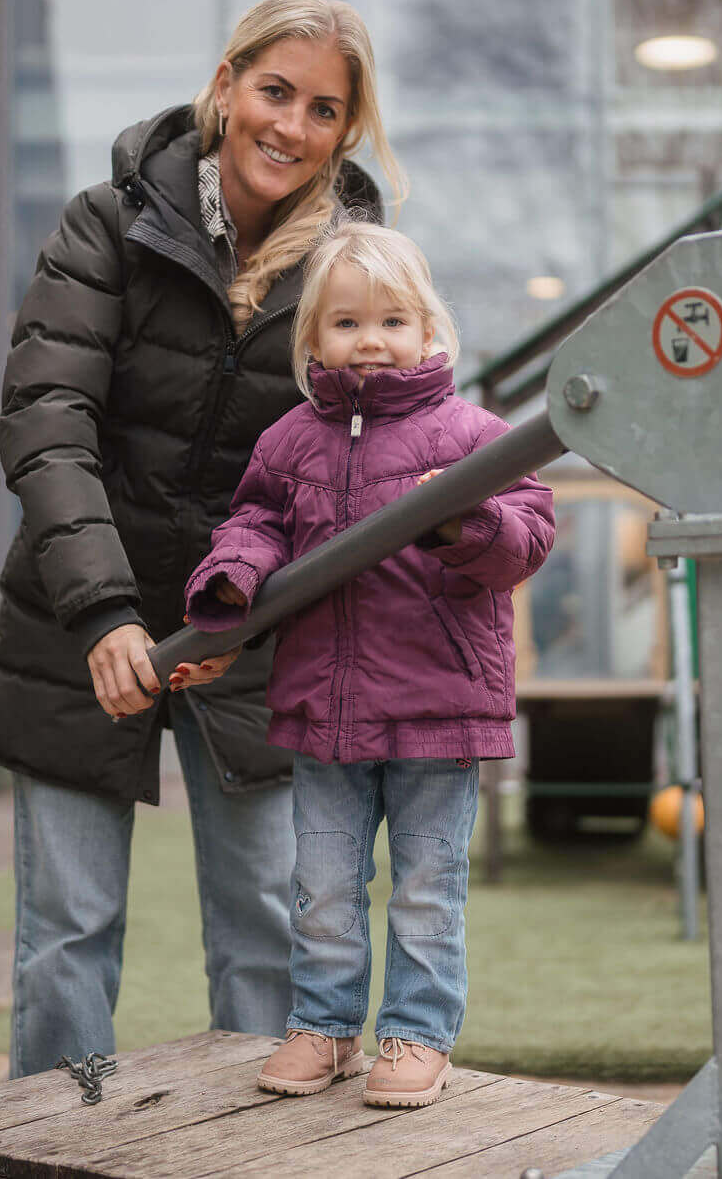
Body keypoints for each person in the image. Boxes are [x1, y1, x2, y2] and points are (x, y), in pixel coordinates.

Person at [0, 0, 407, 1077]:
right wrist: (104, 614)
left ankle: (250, 1147)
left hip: (251, 634)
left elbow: (348, 467)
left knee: (265, 929)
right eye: (274, 91)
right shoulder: (105, 226)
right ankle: (49, 1145)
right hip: (76, 621)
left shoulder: (351, 273)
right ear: (224, 86)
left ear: (343, 130)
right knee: (67, 936)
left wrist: (245, 615)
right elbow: (48, 422)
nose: (289, 125)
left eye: (322, 109)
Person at [176, 223, 555, 1108]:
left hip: (437, 705)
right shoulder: (289, 441)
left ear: (429, 330)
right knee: (321, 884)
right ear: (313, 338)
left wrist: (464, 520)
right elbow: (256, 523)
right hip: (327, 709)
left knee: (426, 885)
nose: (371, 340)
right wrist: (233, 574)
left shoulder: (473, 437)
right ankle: (325, 1025)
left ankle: (417, 1034)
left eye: (391, 320)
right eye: (347, 323)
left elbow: (528, 535)